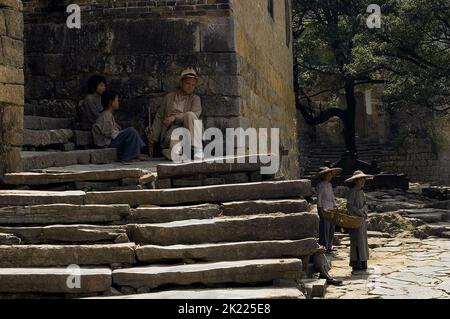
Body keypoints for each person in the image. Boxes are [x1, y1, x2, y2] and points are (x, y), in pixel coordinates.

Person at [148, 68, 204, 161]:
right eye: (188, 83)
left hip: (189, 129)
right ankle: (168, 151)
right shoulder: (169, 97)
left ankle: (198, 149)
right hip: (173, 130)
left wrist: (174, 117)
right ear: (181, 83)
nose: (190, 87)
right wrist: (153, 137)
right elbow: (159, 117)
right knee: (175, 155)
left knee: (190, 115)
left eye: (193, 85)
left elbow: (195, 114)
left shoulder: (195, 98)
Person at [92, 91, 146, 162]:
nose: (118, 102)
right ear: (111, 102)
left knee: (130, 132)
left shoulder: (108, 114)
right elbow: (111, 134)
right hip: (106, 143)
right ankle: (130, 155)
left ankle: (139, 150)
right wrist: (121, 132)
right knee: (131, 131)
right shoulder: (106, 115)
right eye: (116, 100)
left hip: (110, 140)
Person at [345, 170, 374, 272]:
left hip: (362, 220)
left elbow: (365, 204)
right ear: (356, 181)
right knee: (356, 242)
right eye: (361, 179)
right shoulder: (353, 191)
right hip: (355, 220)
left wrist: (364, 212)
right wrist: (360, 213)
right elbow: (349, 206)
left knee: (363, 241)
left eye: (363, 179)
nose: (363, 181)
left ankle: (363, 262)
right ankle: (357, 264)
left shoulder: (361, 192)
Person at [316, 166, 342, 253]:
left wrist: (335, 205)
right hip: (324, 207)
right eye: (328, 174)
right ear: (324, 175)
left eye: (331, 174)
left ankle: (329, 246)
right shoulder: (321, 185)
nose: (330, 176)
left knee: (331, 228)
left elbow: (332, 196)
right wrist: (320, 208)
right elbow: (319, 197)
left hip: (331, 207)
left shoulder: (330, 185)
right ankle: (324, 246)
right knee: (325, 228)